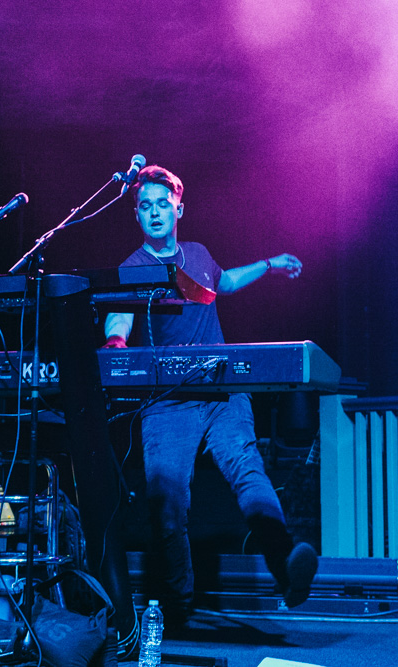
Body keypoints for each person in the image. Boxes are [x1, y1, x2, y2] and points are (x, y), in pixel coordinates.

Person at [103, 165, 318, 625]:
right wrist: (116, 344)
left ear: (180, 207)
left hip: (222, 392)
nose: (155, 212)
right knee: (167, 498)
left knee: (246, 468)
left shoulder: (197, 253)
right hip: (167, 400)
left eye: (163, 203)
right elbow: (118, 317)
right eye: (145, 206)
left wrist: (271, 263)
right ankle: (178, 607)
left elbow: (225, 283)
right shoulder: (132, 268)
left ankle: (286, 565)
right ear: (137, 216)